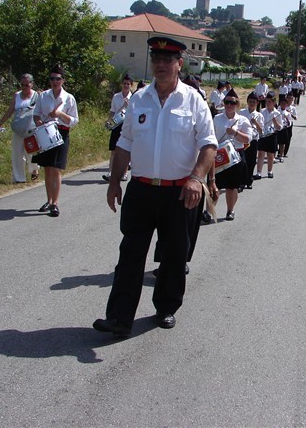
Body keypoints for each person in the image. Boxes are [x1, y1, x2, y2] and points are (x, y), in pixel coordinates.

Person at [93, 36, 217, 337]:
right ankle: (119, 317)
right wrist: (113, 182)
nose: (161, 65)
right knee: (131, 254)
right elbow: (124, 143)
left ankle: (166, 307)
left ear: (179, 63)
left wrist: (197, 178)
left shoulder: (193, 100)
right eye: (156, 59)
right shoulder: (138, 99)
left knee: (175, 254)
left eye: (168, 60)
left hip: (179, 192)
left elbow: (208, 144)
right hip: (141, 189)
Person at [32, 65, 79, 217]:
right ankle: (49, 199)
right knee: (47, 168)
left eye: (58, 79)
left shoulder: (68, 98)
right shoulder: (43, 96)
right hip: (45, 133)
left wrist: (59, 114)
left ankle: (55, 203)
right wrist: (38, 122)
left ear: (63, 80)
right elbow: (36, 114)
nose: (54, 81)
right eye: (52, 78)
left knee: (55, 168)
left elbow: (74, 120)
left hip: (61, 133)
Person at [208, 89, 251, 220]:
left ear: (237, 104)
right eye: (226, 102)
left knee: (232, 186)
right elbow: (211, 136)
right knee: (214, 184)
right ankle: (208, 212)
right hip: (219, 154)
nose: (229, 105)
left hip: (236, 156)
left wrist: (235, 133)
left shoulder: (242, 120)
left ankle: (230, 210)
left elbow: (248, 139)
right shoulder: (217, 118)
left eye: (232, 103)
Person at [0, 73, 39, 183]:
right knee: (17, 154)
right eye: (22, 85)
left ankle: (34, 170)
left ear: (31, 84)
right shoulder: (17, 96)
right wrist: (0, 123)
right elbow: (10, 111)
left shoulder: (36, 96)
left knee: (32, 152)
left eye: (26, 85)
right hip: (18, 129)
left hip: (31, 129)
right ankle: (19, 178)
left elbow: (41, 112)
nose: (24, 87)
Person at [103, 74, 133, 182]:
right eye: (124, 83)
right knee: (114, 150)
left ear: (131, 85)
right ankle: (110, 172)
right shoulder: (116, 96)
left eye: (128, 84)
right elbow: (113, 111)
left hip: (127, 125)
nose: (126, 86)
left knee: (125, 149)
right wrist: (109, 121)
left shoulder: (134, 97)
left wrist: (126, 106)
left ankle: (124, 173)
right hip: (116, 123)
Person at [255, 91, 282, 179]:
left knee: (270, 155)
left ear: (274, 102)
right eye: (267, 101)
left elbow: (280, 127)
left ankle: (270, 171)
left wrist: (275, 122)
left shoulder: (277, 113)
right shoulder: (262, 111)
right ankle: (259, 172)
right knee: (261, 154)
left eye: (270, 101)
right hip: (263, 135)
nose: (267, 103)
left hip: (272, 135)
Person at [239, 92, 263, 188]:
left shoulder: (259, 115)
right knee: (242, 161)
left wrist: (256, 123)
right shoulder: (242, 112)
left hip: (253, 141)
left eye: (254, 101)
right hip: (243, 140)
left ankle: (249, 180)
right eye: (250, 101)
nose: (252, 103)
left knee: (251, 161)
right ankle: (241, 182)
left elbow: (261, 131)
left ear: (257, 103)